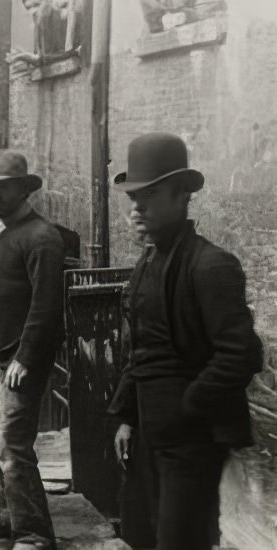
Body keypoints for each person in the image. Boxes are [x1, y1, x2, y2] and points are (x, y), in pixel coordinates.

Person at [108, 132, 263, 550]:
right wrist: (129, 416)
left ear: (182, 196)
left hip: (191, 443)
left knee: (181, 541)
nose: (137, 205)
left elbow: (242, 354)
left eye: (151, 193)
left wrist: (188, 406)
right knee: (140, 534)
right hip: (148, 438)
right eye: (133, 195)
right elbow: (139, 350)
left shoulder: (210, 266)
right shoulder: (148, 262)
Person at [0, 151, 64, 550]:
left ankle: (35, 533)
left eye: (1, 189)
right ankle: (3, 516)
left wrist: (25, 357)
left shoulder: (42, 239)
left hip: (21, 362)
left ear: (23, 190)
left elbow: (46, 308)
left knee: (11, 444)